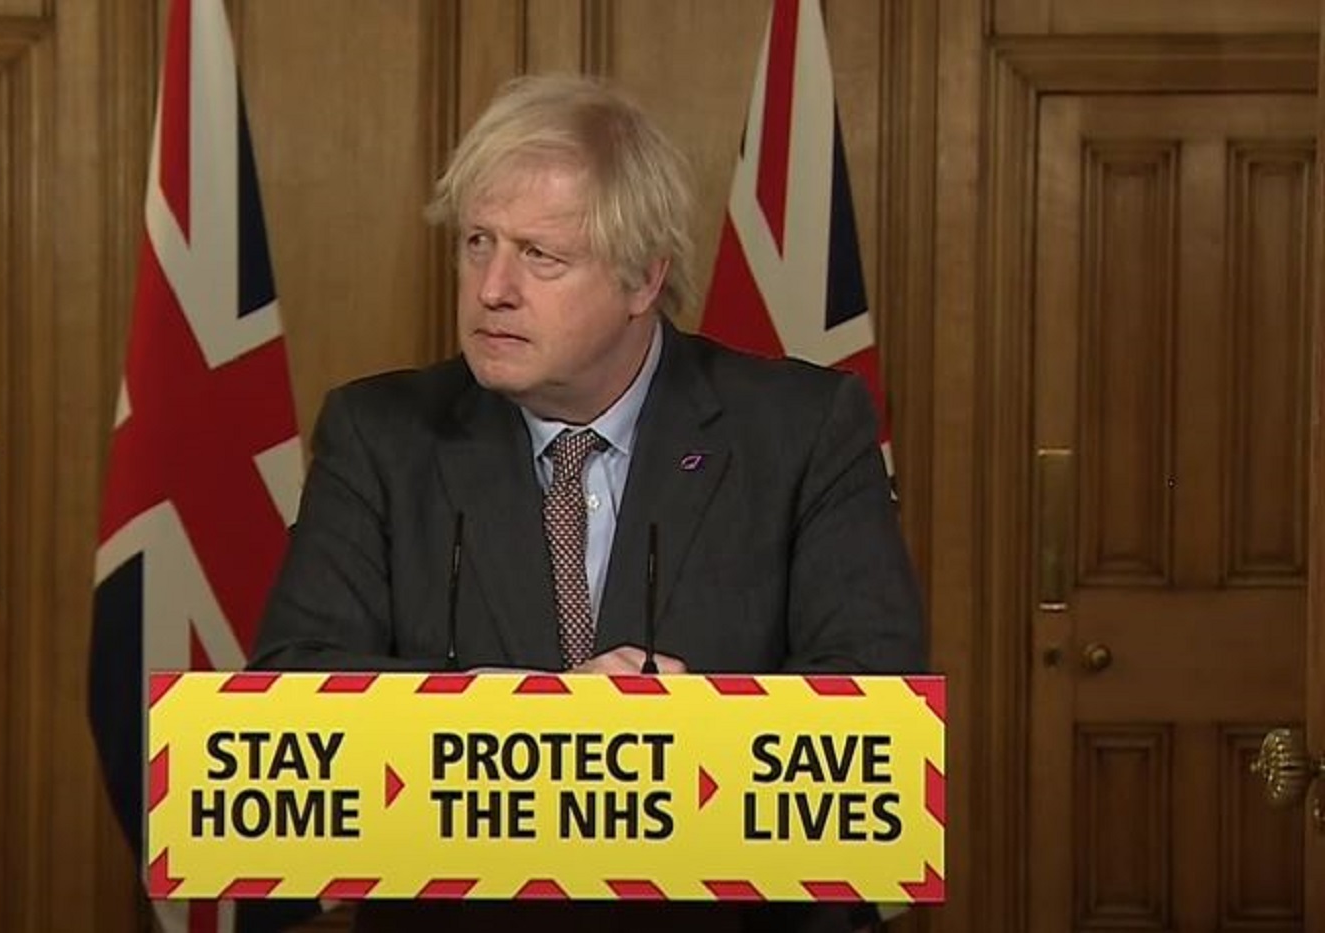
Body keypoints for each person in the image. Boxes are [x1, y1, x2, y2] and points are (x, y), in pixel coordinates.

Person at [251, 73, 924, 933]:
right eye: (478, 243)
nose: (492, 287)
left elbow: (875, 712)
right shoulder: (380, 436)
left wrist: (675, 744)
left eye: (541, 255)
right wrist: (539, 713)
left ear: (644, 280)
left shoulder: (801, 431)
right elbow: (292, 697)